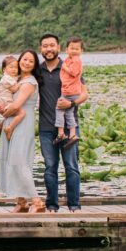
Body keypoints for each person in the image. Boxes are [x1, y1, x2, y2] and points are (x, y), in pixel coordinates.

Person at [37, 33, 87, 212]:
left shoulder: (69, 66)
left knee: (71, 166)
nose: (48, 49)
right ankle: (52, 205)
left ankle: (74, 205)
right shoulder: (38, 70)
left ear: (59, 48)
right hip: (45, 127)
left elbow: (84, 94)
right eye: (45, 46)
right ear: (41, 49)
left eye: (52, 45)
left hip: (69, 127)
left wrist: (71, 103)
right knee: (50, 167)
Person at [0, 49, 44, 213]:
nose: (27, 63)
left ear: (34, 64)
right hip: (12, 123)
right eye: (24, 59)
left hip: (22, 125)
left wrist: (4, 110)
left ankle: (37, 201)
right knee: (11, 161)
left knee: (20, 162)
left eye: (31, 61)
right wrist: (3, 110)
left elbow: (16, 106)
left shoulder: (29, 82)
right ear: (19, 60)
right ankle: (21, 201)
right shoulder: (16, 80)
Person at [56, 37, 84, 146]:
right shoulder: (70, 59)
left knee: (59, 109)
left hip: (69, 92)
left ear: (82, 51)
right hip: (72, 91)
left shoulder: (76, 61)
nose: (74, 51)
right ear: (66, 50)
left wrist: (63, 66)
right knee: (69, 113)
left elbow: (73, 73)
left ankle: (61, 133)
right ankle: (72, 134)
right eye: (72, 48)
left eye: (77, 49)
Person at [0, 55, 24, 140]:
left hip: (4, 102)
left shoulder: (10, 78)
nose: (14, 69)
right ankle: (10, 128)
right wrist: (22, 83)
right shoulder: (6, 79)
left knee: (11, 114)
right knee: (22, 113)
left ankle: (1, 124)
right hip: (6, 103)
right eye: (11, 67)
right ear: (4, 69)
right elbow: (14, 89)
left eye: (16, 67)